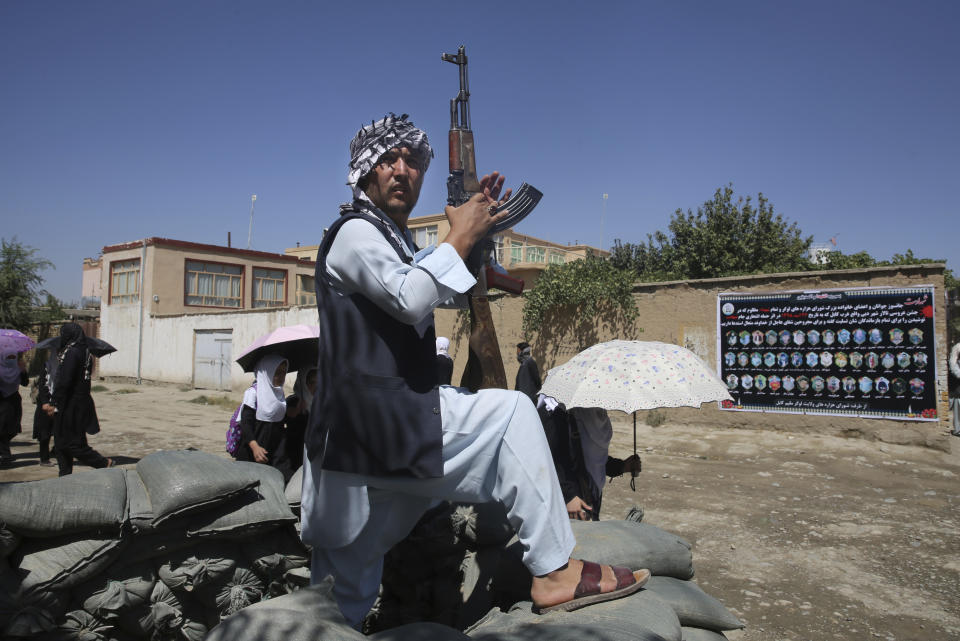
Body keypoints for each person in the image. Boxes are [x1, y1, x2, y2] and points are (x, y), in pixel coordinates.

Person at [301, 113, 648, 627]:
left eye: (413, 162)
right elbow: (410, 295)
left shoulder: (393, 242)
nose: (403, 170)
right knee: (511, 415)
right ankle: (555, 570)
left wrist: (478, 231)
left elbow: (448, 285)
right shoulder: (355, 232)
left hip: (366, 449)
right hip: (379, 430)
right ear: (364, 171)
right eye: (390, 159)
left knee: (336, 607)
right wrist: (457, 235)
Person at [538, 397, 641, 521]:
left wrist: (622, 466)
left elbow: (593, 459)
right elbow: (550, 459)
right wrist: (569, 496)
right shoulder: (558, 415)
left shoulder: (596, 414)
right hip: (567, 505)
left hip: (591, 498)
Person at [42, 323, 113, 476]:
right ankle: (65, 476)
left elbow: (65, 380)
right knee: (61, 443)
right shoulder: (84, 351)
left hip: (71, 405)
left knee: (72, 444)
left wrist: (54, 402)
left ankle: (103, 463)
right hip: (77, 403)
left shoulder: (73, 352)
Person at [237, 354, 294, 482]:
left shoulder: (279, 393)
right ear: (267, 372)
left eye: (284, 373)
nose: (281, 377)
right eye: (277, 372)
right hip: (253, 449)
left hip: (274, 448)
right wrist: (255, 447)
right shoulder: (252, 393)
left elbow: (279, 420)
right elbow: (246, 423)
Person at [284, 366, 317, 470]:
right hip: (294, 456)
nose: (316, 386)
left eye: (320, 382)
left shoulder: (323, 402)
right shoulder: (292, 401)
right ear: (303, 382)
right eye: (312, 382)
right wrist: (297, 411)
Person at [0, 348, 29, 466]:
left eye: (13, 357)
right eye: (9, 357)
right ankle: (5, 453)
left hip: (13, 401)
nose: (11, 359)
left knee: (12, 428)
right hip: (1, 400)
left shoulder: (17, 368)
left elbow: (25, 383)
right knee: (2, 428)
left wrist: (23, 371)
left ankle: (5, 452)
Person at [32, 349, 57, 466]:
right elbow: (43, 385)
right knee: (45, 433)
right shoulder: (46, 366)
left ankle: (57, 451)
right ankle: (44, 458)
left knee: (60, 431)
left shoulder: (64, 368)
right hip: (45, 405)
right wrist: (45, 402)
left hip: (58, 403)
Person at [949, 342, 960, 437]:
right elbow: (953, 366)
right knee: (957, 407)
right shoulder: (957, 347)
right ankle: (957, 430)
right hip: (957, 387)